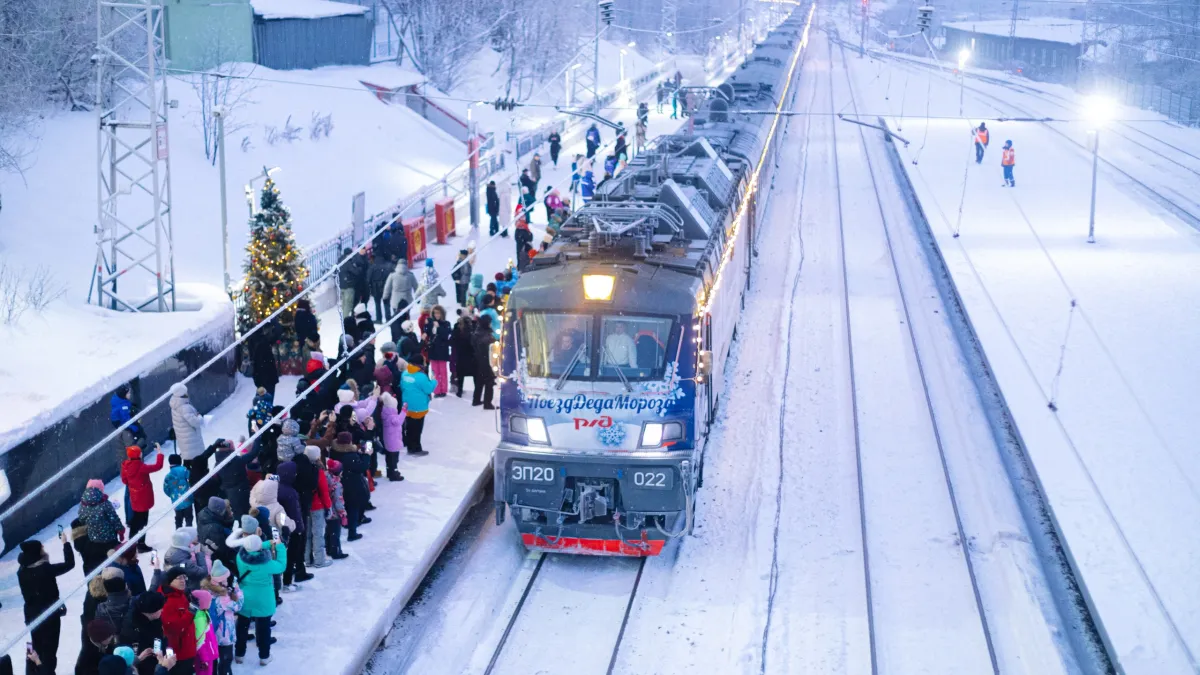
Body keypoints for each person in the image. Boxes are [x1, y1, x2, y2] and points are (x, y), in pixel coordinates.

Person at [17, 535, 75, 675]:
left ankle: (33, 670)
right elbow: (70, 564)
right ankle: (47, 672)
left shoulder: (22, 571)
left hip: (31, 613)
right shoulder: (45, 569)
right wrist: (65, 543)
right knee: (49, 649)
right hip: (49, 613)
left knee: (36, 644)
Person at [229, 529, 285, 667]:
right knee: (263, 628)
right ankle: (264, 656)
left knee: (242, 626)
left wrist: (266, 543)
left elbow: (253, 547)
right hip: (263, 598)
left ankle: (239, 654)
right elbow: (281, 566)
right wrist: (280, 546)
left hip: (245, 596)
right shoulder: (267, 564)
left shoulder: (240, 557)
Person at [201, 562, 242, 675]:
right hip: (224, 633)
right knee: (226, 658)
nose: (226, 581)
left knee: (214, 658)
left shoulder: (207, 591)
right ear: (218, 580)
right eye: (224, 579)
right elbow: (238, 605)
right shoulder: (222, 598)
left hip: (212, 631)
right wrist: (238, 590)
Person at [122, 445, 164, 550]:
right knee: (142, 523)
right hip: (144, 498)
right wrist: (159, 453)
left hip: (135, 498)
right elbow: (158, 466)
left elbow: (124, 481)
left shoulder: (125, 466)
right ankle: (140, 545)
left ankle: (132, 543)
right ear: (138, 455)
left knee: (136, 520)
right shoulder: (141, 467)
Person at [77, 480, 123, 573]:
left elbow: (81, 519)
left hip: (94, 539)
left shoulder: (83, 504)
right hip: (110, 538)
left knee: (102, 562)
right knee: (114, 560)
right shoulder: (105, 503)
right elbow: (114, 518)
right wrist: (120, 530)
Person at [330, 433, 370, 541]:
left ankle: (347, 523)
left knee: (345, 505)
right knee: (353, 507)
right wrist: (366, 455)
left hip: (339, 482)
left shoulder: (333, 451)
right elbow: (361, 467)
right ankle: (352, 532)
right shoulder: (350, 455)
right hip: (352, 484)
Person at [158, 567, 197, 673]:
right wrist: (191, 611)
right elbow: (172, 628)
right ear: (170, 581)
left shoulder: (181, 594)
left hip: (187, 648)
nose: (183, 580)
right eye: (179, 578)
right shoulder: (167, 601)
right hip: (178, 654)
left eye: (184, 577)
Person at [215, 439, 262, 518]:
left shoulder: (217, 465)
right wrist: (258, 437)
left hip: (230, 495)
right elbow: (254, 452)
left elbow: (217, 480)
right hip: (243, 493)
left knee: (239, 516)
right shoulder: (237, 460)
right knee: (249, 515)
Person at [400, 354, 436, 455]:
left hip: (407, 406)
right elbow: (428, 389)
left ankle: (410, 446)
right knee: (417, 428)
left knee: (409, 427)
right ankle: (416, 448)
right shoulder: (421, 376)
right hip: (419, 407)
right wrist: (434, 380)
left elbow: (402, 387)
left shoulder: (405, 373)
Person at [168, 383, 207, 476]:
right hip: (192, 441)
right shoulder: (184, 407)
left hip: (184, 441)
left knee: (188, 465)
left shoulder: (175, 404)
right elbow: (196, 422)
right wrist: (200, 417)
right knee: (199, 467)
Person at [323, 460, 349, 560]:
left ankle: (329, 549)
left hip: (326, 509)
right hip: (334, 512)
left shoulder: (326, 477)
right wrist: (342, 513)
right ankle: (336, 551)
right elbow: (338, 500)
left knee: (329, 531)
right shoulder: (337, 484)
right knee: (335, 532)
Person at [425, 305, 452, 397]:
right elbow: (426, 332)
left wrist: (439, 327)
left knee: (443, 372)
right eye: (435, 313)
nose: (436, 315)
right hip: (433, 351)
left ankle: (443, 390)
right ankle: (436, 390)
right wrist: (428, 324)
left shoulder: (446, 323)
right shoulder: (430, 322)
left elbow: (446, 335)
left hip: (442, 351)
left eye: (438, 313)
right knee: (434, 372)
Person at [382, 259, 418, 328]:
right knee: (407, 317)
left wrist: (385, 297)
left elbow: (387, 288)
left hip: (396, 301)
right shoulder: (410, 275)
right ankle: (407, 329)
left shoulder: (392, 275)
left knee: (397, 317)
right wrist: (418, 297)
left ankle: (398, 330)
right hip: (407, 300)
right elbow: (416, 287)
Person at [109, 384, 146, 449]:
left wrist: (133, 410)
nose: (130, 394)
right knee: (133, 445)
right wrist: (123, 428)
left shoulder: (125, 402)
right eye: (128, 393)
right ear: (123, 395)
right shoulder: (117, 406)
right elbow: (115, 420)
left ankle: (140, 450)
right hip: (127, 429)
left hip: (132, 425)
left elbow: (128, 411)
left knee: (142, 436)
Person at [162, 455, 193, 528]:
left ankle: (179, 535)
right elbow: (192, 481)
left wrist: (172, 495)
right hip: (187, 499)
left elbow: (165, 489)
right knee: (189, 518)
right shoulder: (185, 470)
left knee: (178, 519)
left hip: (176, 502)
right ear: (180, 461)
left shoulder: (168, 476)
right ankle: (190, 534)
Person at [248, 329, 280, 401]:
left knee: (261, 401)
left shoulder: (254, 343)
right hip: (268, 378)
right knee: (267, 400)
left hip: (261, 378)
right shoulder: (264, 344)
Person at [472, 316, 497, 409]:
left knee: (479, 382)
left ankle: (476, 400)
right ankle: (487, 403)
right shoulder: (486, 335)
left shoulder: (477, 332)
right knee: (489, 382)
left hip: (477, 361)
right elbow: (490, 347)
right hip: (486, 361)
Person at [367, 253, 394, 322]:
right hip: (386, 286)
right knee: (386, 303)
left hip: (375, 287)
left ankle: (379, 319)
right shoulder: (388, 266)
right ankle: (388, 318)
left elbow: (368, 278)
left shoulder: (372, 267)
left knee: (377, 304)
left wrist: (370, 287)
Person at [337, 247, 359, 318]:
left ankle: (343, 319)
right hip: (348, 286)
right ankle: (345, 320)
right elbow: (356, 272)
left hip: (342, 286)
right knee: (348, 305)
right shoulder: (348, 262)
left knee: (344, 304)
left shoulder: (339, 261)